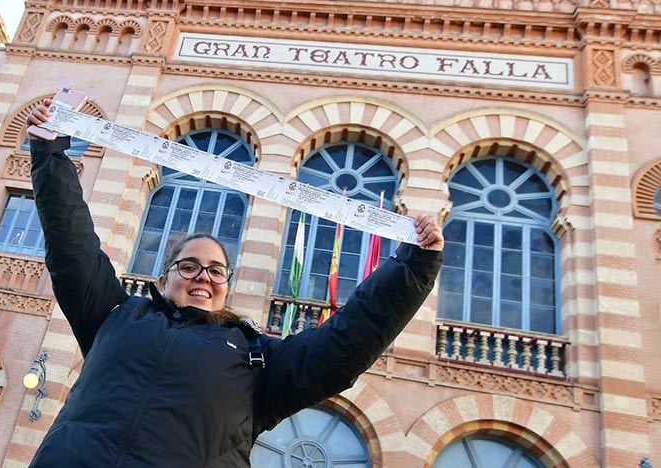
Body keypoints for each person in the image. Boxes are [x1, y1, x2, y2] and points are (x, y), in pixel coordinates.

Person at [25, 100, 444, 468]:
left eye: (216, 269)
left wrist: (416, 264)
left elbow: (348, 340)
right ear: (162, 278)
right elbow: (71, 246)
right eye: (188, 265)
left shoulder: (258, 359)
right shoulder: (114, 316)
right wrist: (48, 152)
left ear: (227, 285)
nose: (203, 275)